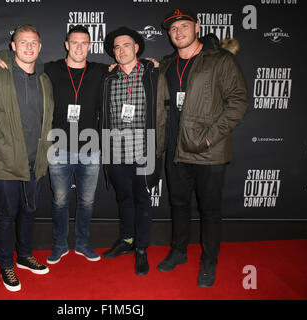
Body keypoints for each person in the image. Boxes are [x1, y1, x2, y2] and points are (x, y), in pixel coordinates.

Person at [0, 25, 108, 264]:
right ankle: (59, 245)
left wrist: (149, 63)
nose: (79, 47)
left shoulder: (101, 70)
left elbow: (125, 63)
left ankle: (83, 244)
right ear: (66, 44)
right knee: (60, 201)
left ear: (90, 46)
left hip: (91, 148)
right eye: (74, 42)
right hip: (58, 148)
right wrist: (2, 59)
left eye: (84, 43)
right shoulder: (51, 69)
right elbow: (22, 61)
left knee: (87, 202)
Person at [155, 9, 249, 288]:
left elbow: (238, 102)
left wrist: (210, 138)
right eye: (173, 29)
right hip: (175, 149)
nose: (178, 32)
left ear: (196, 27)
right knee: (178, 204)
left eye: (184, 26)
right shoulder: (167, 64)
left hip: (209, 152)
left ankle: (209, 261)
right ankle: (179, 251)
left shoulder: (220, 60)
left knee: (209, 210)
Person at [0, 24, 54, 292]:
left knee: (29, 211)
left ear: (40, 47)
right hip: (7, 162)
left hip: (36, 161)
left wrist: (46, 149)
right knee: (7, 215)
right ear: (13, 46)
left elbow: (47, 119)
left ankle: (24, 255)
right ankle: (6, 263)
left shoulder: (44, 79)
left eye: (34, 42)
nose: (29, 47)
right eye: (23, 42)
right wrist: (2, 148)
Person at [101, 27, 161, 276]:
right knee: (123, 199)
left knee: (142, 200)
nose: (120, 50)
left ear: (136, 48)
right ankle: (126, 241)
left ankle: (141, 249)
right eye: (116, 47)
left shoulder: (153, 73)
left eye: (126, 45)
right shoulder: (108, 78)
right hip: (115, 151)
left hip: (143, 150)